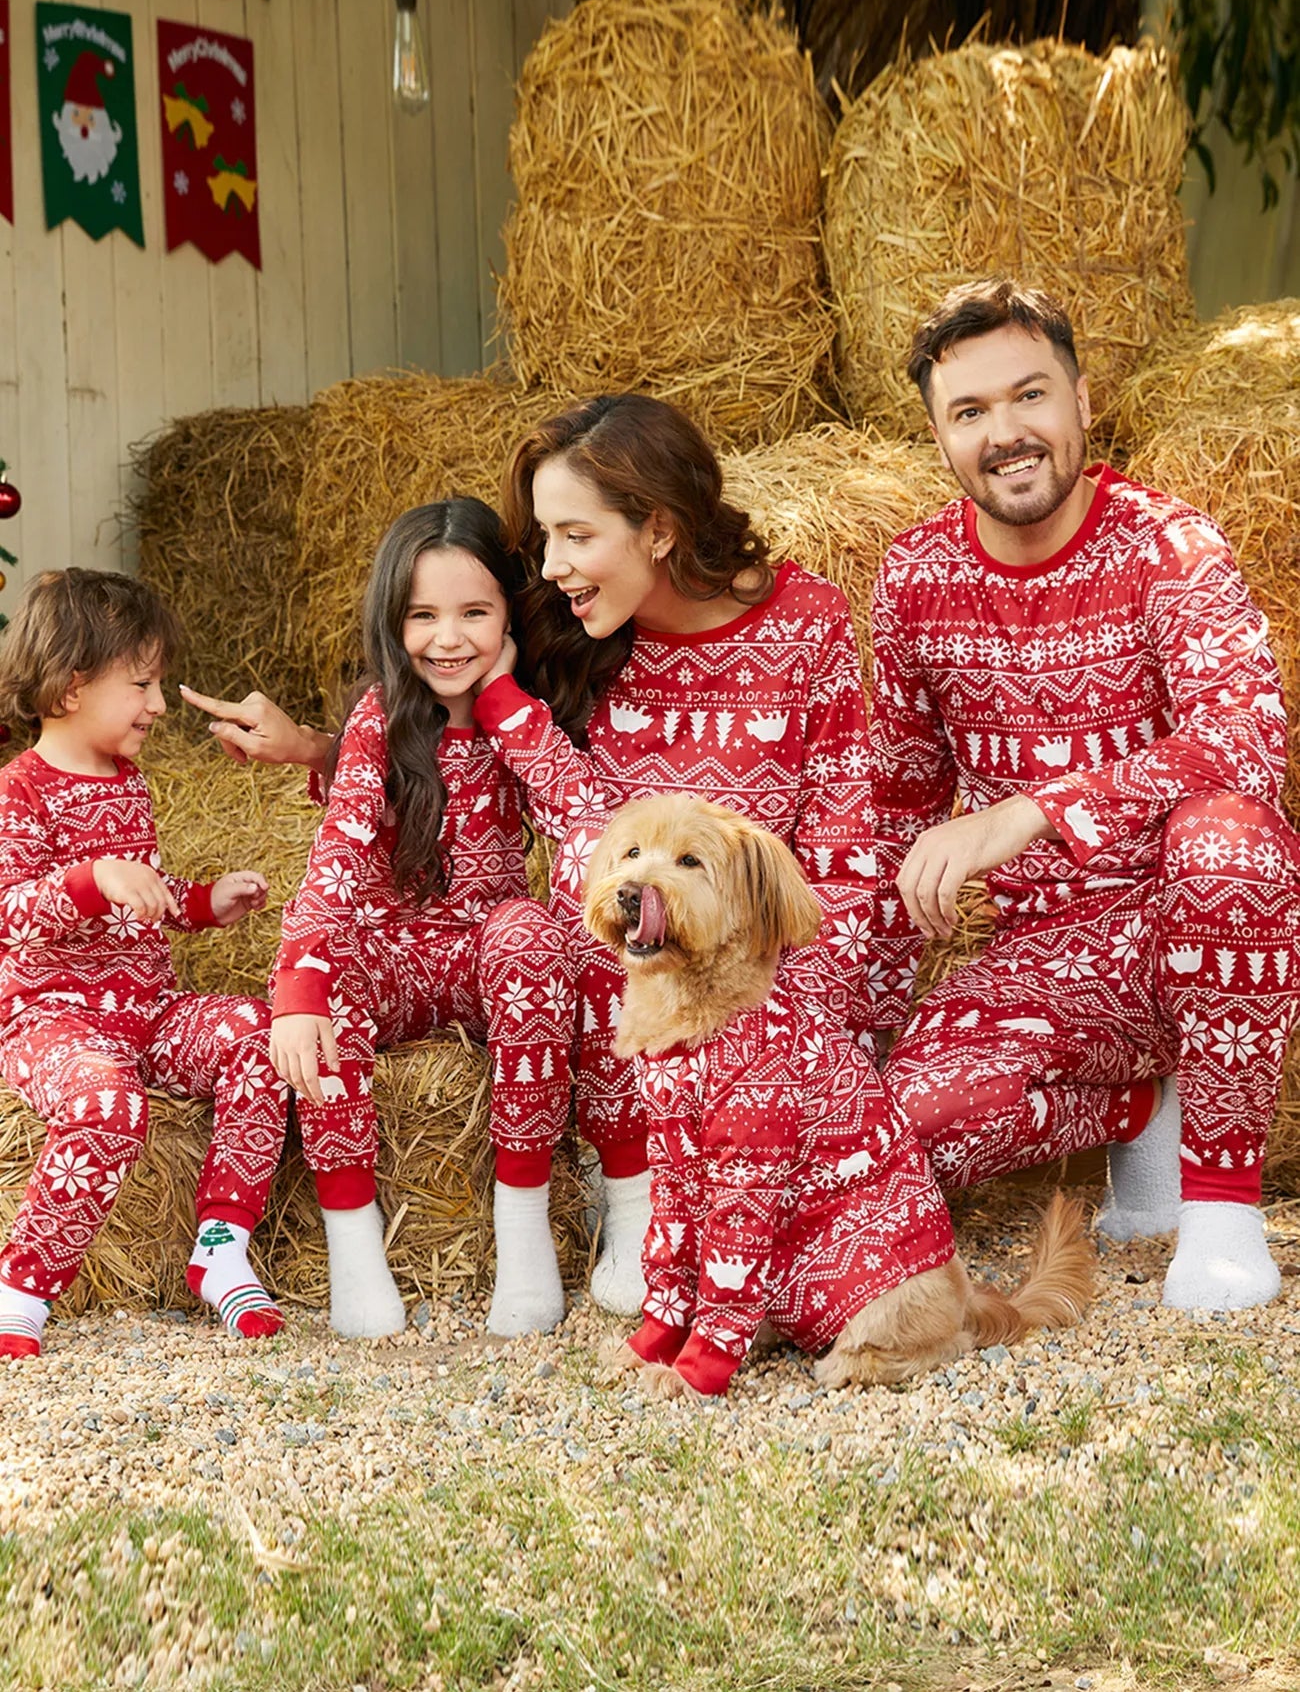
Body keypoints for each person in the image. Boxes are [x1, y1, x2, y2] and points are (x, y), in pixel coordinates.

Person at [183, 395, 884, 1316]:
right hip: (615, 986)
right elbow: (440, 744)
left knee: (884, 1166)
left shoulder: (805, 622)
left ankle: (683, 1190)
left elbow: (846, 860)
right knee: (587, 915)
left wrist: (808, 1042)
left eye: (571, 536)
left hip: (760, 990)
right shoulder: (576, 634)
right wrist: (327, 750)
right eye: (544, 540)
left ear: (659, 528)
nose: (548, 569)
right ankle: (634, 1201)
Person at [870, 276, 1300, 1312]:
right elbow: (892, 813)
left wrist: (1033, 809)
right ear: (937, 435)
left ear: (1080, 401)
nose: (1005, 432)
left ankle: (1221, 1209)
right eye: (969, 412)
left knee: (1231, 843)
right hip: (1043, 963)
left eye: (1029, 396)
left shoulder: (1168, 546)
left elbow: (1248, 739)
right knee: (900, 1129)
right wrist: (843, 1026)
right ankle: (1124, 1108)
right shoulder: (914, 579)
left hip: (1184, 918)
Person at [267, 499, 577, 1339]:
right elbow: (335, 856)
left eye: (475, 612)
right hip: (394, 960)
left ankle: (523, 1233)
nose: (448, 638)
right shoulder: (379, 720)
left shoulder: (530, 716)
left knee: (532, 931)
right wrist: (300, 979)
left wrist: (509, 701)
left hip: (488, 958)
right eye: (422, 615)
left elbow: (583, 816)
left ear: (511, 612)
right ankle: (353, 1245)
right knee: (325, 996)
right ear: (390, 620)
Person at [0, 569, 288, 1359]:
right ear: (68, 688)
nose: (159, 704)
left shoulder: (131, 787)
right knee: (109, 1103)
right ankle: (21, 1285)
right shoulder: (19, 793)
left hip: (149, 1013)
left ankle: (223, 1246)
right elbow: (12, 913)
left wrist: (202, 904)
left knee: (261, 1035)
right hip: (50, 1020)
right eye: (142, 683)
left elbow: (143, 899)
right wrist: (92, 880)